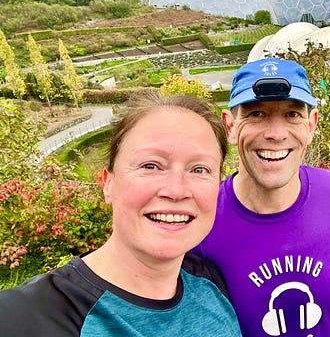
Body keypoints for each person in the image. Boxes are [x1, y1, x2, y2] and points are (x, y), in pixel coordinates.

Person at [0, 92, 242, 337]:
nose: (176, 191)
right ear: (108, 183)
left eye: (199, 169)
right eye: (150, 166)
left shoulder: (210, 280)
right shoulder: (28, 316)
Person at [192, 57, 330, 336]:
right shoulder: (201, 216)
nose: (276, 134)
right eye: (256, 114)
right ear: (230, 126)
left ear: (311, 125)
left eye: (292, 114)